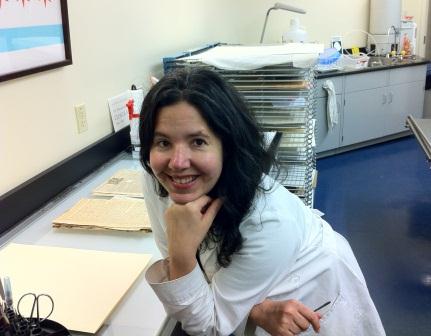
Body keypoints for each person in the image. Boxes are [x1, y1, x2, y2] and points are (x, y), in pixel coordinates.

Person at [140, 67, 385, 336]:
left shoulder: (267, 218)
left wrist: (181, 253)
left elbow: (210, 325)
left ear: (227, 146)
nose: (177, 163)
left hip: (307, 290)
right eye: (163, 142)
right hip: (246, 292)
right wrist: (251, 308)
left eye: (198, 141)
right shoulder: (156, 176)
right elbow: (192, 281)